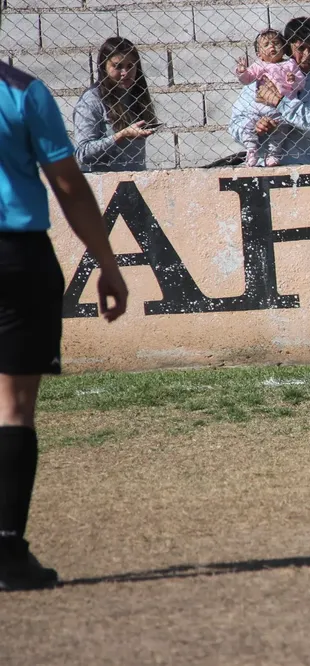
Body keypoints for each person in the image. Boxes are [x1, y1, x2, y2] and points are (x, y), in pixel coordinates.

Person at [0, 62, 129, 590]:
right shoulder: (23, 92)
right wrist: (108, 263)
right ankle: (7, 553)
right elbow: (69, 184)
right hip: (15, 254)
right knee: (13, 405)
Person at [228, 17, 310, 166]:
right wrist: (257, 126)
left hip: (307, 169)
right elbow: (235, 124)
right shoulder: (260, 79)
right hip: (263, 172)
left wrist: (282, 103)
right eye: (301, 48)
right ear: (287, 48)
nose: (307, 55)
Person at [74, 36, 159, 173]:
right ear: (104, 67)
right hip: (102, 183)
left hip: (135, 180)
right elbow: (82, 153)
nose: (125, 73)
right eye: (117, 66)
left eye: (130, 66)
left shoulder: (135, 93)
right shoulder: (92, 100)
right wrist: (121, 135)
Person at [235, 29, 306, 167]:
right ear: (259, 54)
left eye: (276, 43)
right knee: (248, 125)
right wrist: (242, 72)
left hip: (280, 107)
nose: (272, 47)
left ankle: (274, 154)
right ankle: (251, 150)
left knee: (280, 130)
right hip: (260, 106)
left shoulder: (290, 64)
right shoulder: (260, 65)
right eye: (266, 45)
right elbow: (247, 79)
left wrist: (293, 80)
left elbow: (301, 83)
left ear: (284, 48)